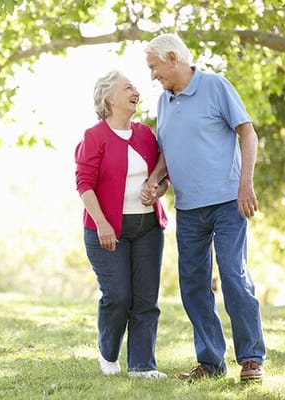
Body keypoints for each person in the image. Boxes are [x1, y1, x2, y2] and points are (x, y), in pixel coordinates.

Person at [142, 33, 266, 382]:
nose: (152, 76)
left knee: (233, 275)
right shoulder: (164, 103)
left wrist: (245, 183)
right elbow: (167, 153)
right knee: (193, 285)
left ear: (172, 58)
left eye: (154, 68)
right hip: (189, 208)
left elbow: (247, 133)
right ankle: (211, 362)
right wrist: (155, 179)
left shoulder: (215, 86)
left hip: (228, 201)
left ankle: (252, 358)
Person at [74, 70, 169, 379]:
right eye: (128, 87)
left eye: (135, 88)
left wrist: (156, 189)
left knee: (145, 299)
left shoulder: (145, 134)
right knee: (118, 298)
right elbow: (84, 185)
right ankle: (109, 353)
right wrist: (101, 223)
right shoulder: (94, 136)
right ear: (109, 98)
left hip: (147, 228)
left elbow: (162, 178)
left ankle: (143, 365)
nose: (136, 91)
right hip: (106, 230)